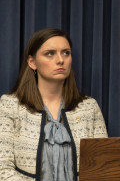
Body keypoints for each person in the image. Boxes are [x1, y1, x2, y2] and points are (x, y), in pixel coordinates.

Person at [0, 28, 108, 180]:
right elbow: (2, 170)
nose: (60, 60)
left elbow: (102, 167)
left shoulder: (89, 107)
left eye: (66, 53)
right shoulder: (10, 105)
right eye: (50, 53)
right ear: (32, 62)